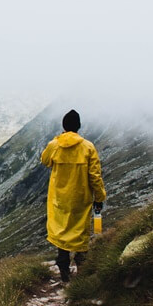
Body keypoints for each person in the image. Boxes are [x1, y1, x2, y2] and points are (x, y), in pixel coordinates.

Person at [41, 109, 106, 282]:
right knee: (79, 231)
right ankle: (82, 269)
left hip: (59, 198)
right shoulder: (88, 147)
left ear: (64, 126)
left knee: (61, 232)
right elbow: (95, 176)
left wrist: (56, 140)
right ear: (78, 126)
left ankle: (64, 270)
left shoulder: (54, 145)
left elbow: (45, 160)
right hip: (80, 198)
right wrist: (99, 197)